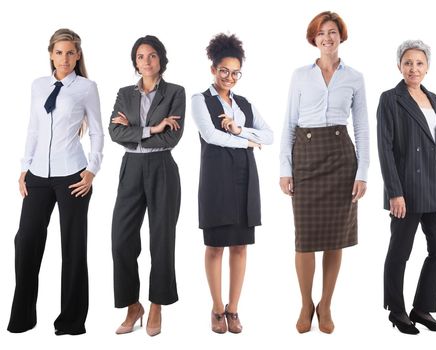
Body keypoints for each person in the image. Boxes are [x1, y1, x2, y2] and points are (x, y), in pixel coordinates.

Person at [7, 28, 104, 335]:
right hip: (37, 176)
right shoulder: (38, 85)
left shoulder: (86, 88)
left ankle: (71, 322)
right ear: (51, 53)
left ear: (78, 56)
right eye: (59, 52)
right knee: (26, 242)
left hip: (73, 176)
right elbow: (34, 128)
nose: (64, 58)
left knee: (73, 248)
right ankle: (22, 318)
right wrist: (25, 167)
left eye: (70, 53)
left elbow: (98, 132)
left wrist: (91, 170)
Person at [279, 11, 369, 334]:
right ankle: (306, 303)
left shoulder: (355, 77)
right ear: (314, 39)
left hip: (341, 159)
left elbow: (361, 127)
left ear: (340, 36)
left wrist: (363, 172)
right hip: (305, 156)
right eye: (321, 33)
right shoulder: (300, 75)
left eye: (332, 32)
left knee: (336, 239)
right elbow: (289, 122)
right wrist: (284, 168)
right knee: (304, 240)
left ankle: (326, 304)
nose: (327, 38)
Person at [192, 33, 273, 334]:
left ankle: (234, 309)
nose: (229, 77)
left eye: (235, 72)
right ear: (213, 69)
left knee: (240, 245)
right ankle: (216, 308)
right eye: (224, 70)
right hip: (215, 178)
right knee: (215, 246)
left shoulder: (244, 104)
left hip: (244, 177)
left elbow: (270, 136)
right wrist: (247, 141)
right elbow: (211, 136)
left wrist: (240, 129)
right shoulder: (199, 100)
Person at [377, 40, 436, 335]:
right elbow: (385, 149)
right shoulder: (390, 99)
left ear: (427, 67)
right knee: (400, 251)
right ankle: (396, 311)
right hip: (406, 189)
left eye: (419, 63)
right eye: (408, 62)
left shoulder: (435, 99)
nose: (414, 68)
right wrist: (395, 192)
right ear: (399, 65)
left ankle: (422, 309)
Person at [109, 35, 185, 337]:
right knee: (121, 240)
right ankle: (132, 305)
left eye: (152, 56)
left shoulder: (175, 92)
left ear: (161, 59)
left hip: (162, 167)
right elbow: (115, 132)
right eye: (140, 57)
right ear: (135, 62)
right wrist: (154, 126)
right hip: (131, 167)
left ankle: (156, 304)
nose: (146, 62)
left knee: (161, 239)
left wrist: (133, 130)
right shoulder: (125, 93)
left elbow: (172, 138)